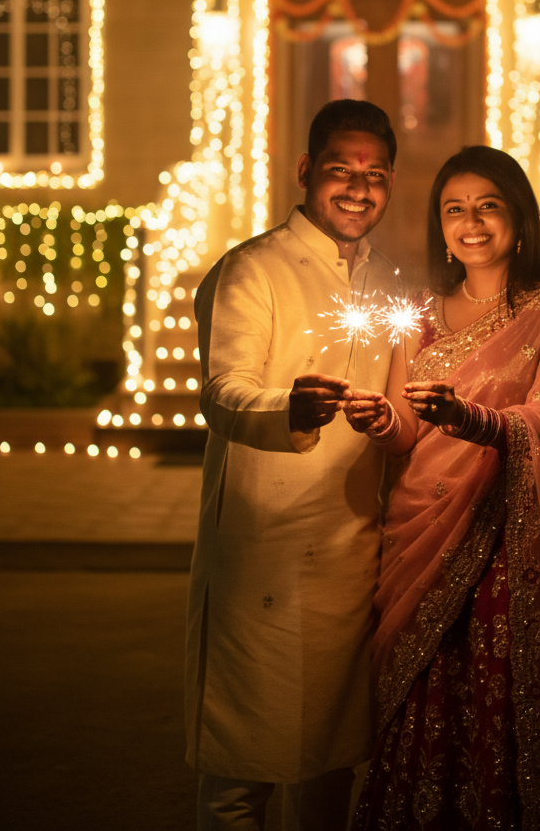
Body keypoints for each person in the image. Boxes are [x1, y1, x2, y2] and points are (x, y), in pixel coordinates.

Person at [343, 145, 540, 831]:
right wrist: (383, 420)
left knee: (501, 691)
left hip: (512, 534)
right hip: (421, 530)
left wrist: (472, 418)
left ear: (519, 219)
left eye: (488, 206)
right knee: (425, 691)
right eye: (454, 209)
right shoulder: (422, 311)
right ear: (440, 225)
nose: (471, 223)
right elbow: (407, 427)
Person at [185, 99, 401, 831]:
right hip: (263, 552)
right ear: (306, 171)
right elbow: (222, 393)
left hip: (349, 551)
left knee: (330, 764)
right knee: (242, 768)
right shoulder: (253, 268)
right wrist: (291, 410)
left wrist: (391, 418)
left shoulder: (380, 282)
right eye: (341, 170)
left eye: (374, 175)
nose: (358, 188)